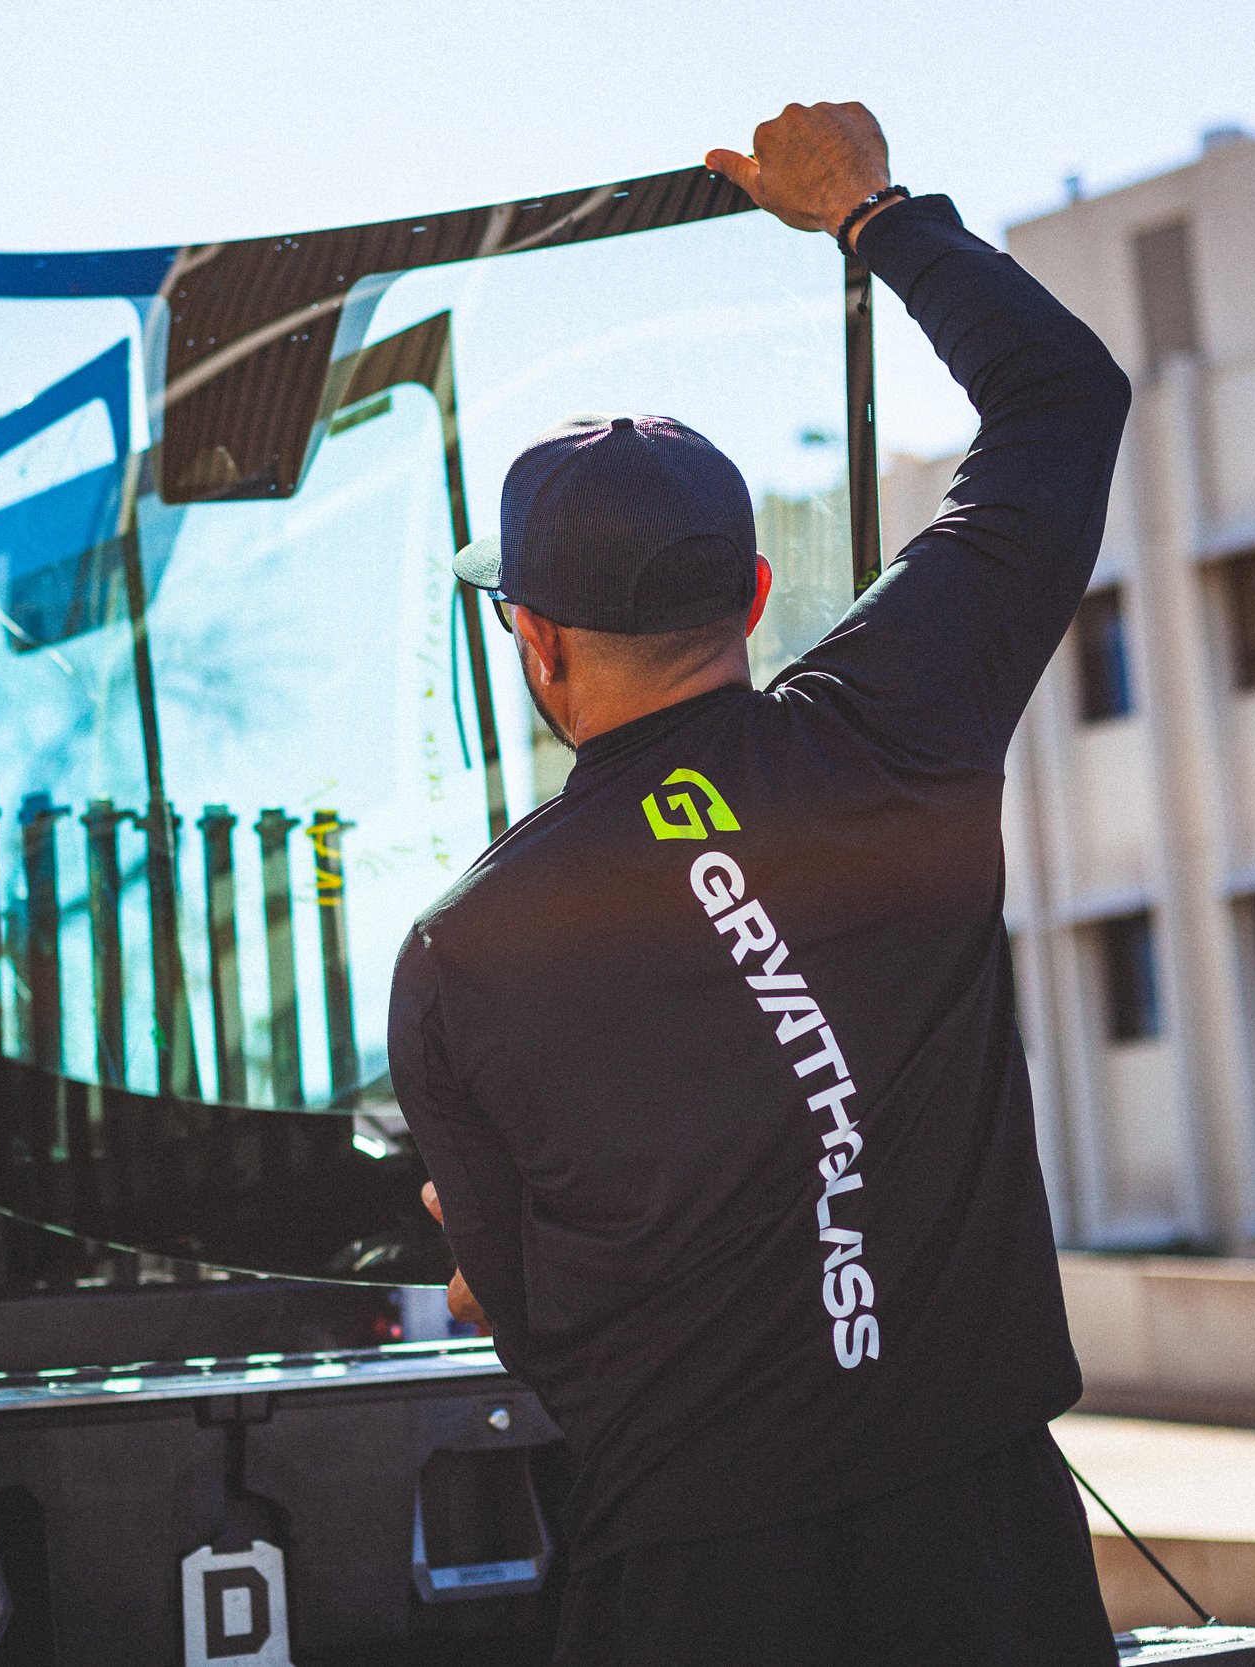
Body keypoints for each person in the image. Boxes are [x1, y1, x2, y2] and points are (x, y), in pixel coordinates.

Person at [390, 101, 1132, 1666]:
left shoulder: (461, 954)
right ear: (752, 591)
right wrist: (871, 211)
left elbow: (529, 1325)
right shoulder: (899, 721)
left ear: (535, 643)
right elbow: (1065, 400)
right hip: (988, 1550)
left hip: (692, 1588)